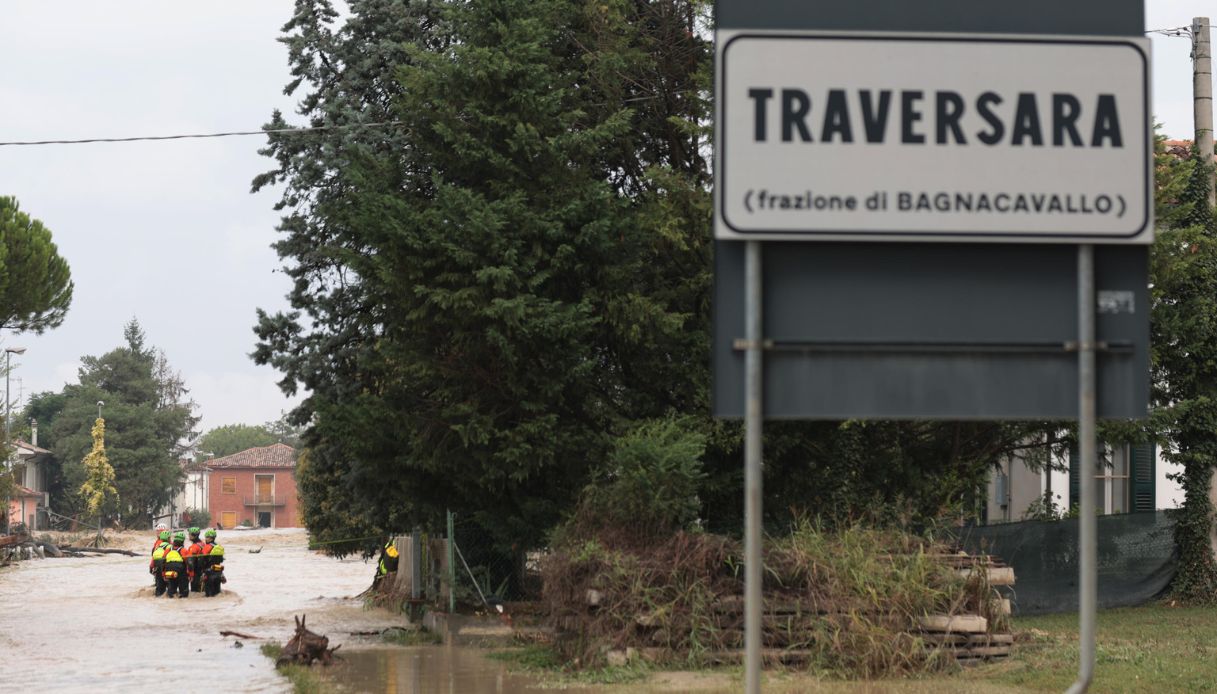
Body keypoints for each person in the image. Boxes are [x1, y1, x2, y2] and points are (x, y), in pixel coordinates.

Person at [163, 533, 189, 598]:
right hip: (181, 571)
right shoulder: (183, 550)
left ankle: (171, 597)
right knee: (184, 591)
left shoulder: (167, 550)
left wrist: (163, 574)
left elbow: (163, 562)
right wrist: (190, 574)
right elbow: (188, 563)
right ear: (182, 542)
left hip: (169, 570)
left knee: (171, 588)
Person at [202, 528, 226, 597]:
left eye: (206, 537)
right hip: (218, 571)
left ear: (210, 538)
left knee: (209, 594)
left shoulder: (207, 547)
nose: (206, 539)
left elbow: (202, 559)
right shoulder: (218, 547)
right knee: (217, 592)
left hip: (209, 572)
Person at [182, 526, 205, 594]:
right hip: (202, 571)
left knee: (194, 592)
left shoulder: (194, 547)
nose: (188, 535)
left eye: (189, 534)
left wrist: (190, 575)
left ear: (194, 536)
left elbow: (190, 562)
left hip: (196, 572)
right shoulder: (202, 544)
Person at [150, 530, 171, 596]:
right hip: (166, 567)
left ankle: (158, 597)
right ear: (168, 539)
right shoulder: (170, 546)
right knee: (170, 585)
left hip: (157, 567)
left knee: (159, 586)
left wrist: (151, 568)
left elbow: (153, 558)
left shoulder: (157, 547)